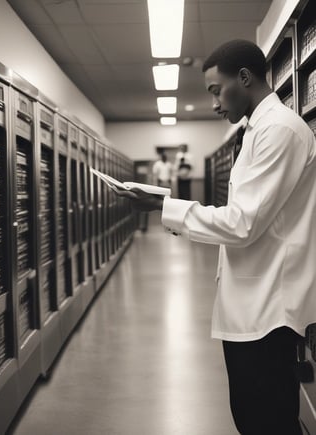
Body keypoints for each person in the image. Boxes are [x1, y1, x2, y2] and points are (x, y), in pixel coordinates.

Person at [115, 39, 316, 434]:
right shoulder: (257, 130)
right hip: (254, 304)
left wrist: (162, 205)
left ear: (244, 78)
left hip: (269, 311)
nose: (214, 103)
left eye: (215, 90)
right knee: (252, 415)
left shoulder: (279, 132)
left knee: (267, 420)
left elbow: (241, 224)